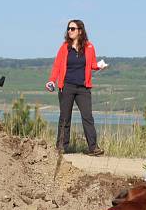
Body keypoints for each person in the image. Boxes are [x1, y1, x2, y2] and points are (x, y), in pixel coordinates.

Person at [45, 19, 107, 156]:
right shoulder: (64, 47)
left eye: (72, 29)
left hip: (83, 88)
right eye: (68, 28)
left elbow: (91, 64)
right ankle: (61, 147)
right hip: (66, 86)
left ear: (80, 31)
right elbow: (57, 65)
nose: (69, 31)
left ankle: (93, 148)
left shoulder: (89, 47)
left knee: (87, 117)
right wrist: (51, 81)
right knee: (65, 117)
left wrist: (99, 66)